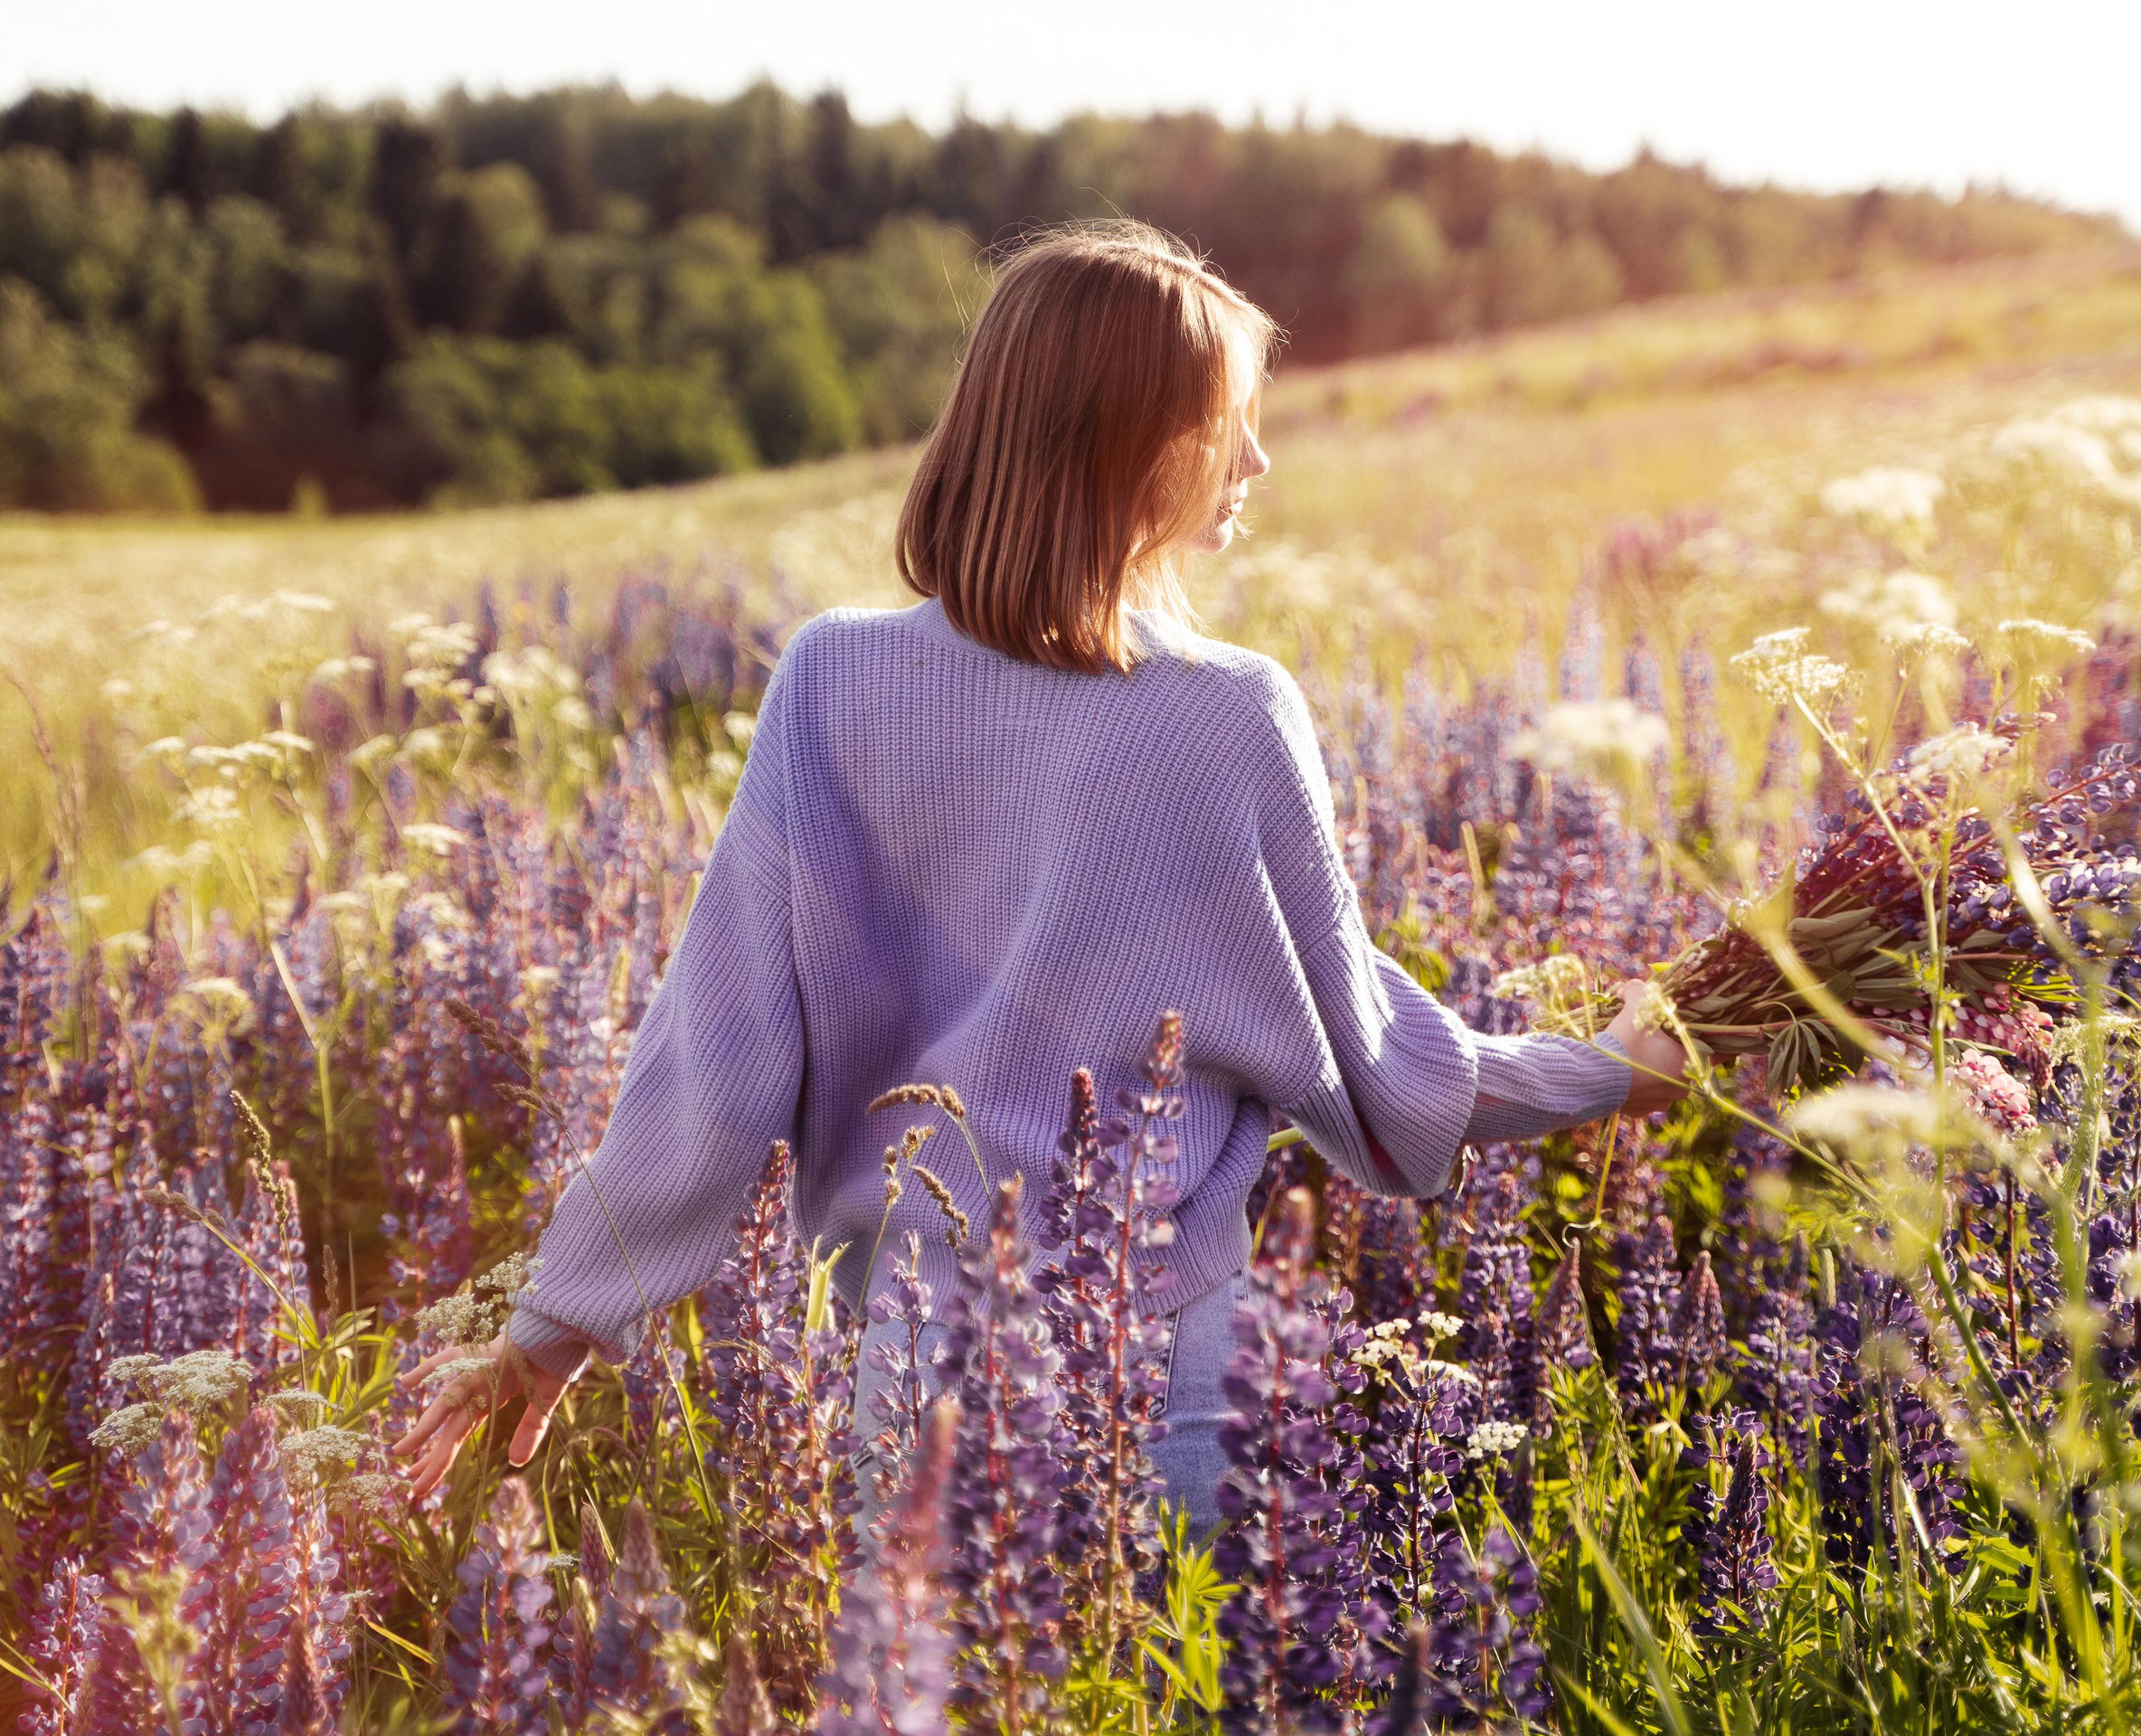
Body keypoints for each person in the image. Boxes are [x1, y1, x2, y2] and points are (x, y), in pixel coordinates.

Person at [393, 222, 1690, 1526]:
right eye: (1228, 421)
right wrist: (1613, 1071)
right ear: (1127, 438)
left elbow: (714, 1054)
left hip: (910, 1380)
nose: (1257, 458)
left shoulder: (832, 680)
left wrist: (556, 1329)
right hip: (1170, 1367)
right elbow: (1372, 1056)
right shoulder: (1231, 712)